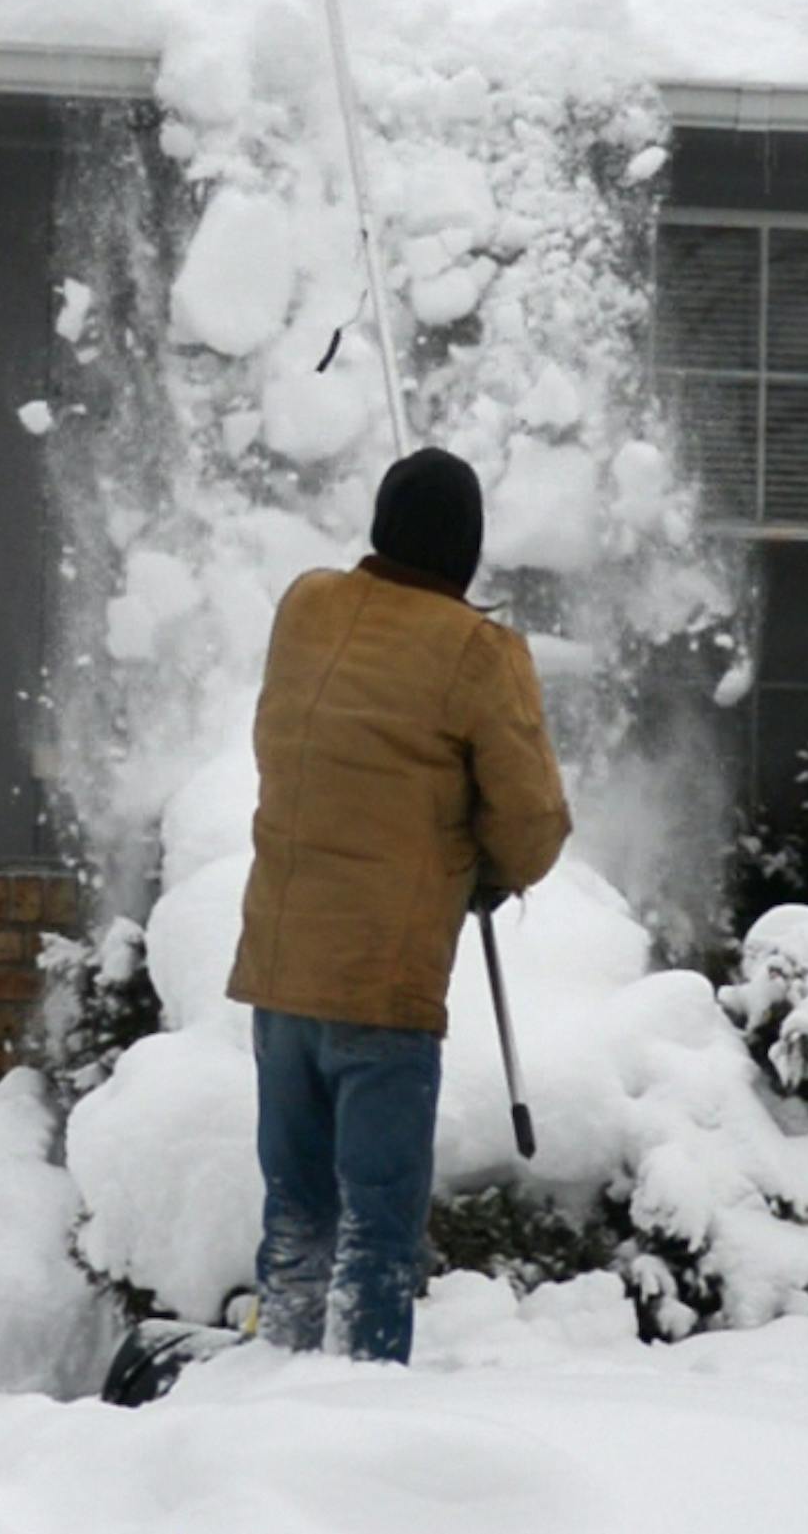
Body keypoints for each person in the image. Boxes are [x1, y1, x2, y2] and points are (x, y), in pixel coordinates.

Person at [225, 445, 571, 1363]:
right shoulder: (477, 652)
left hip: (280, 978)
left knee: (296, 1224)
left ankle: (271, 1405)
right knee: (375, 1242)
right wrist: (485, 867)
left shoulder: (305, 606)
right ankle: (357, 1432)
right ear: (466, 549)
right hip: (381, 993)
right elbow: (533, 822)